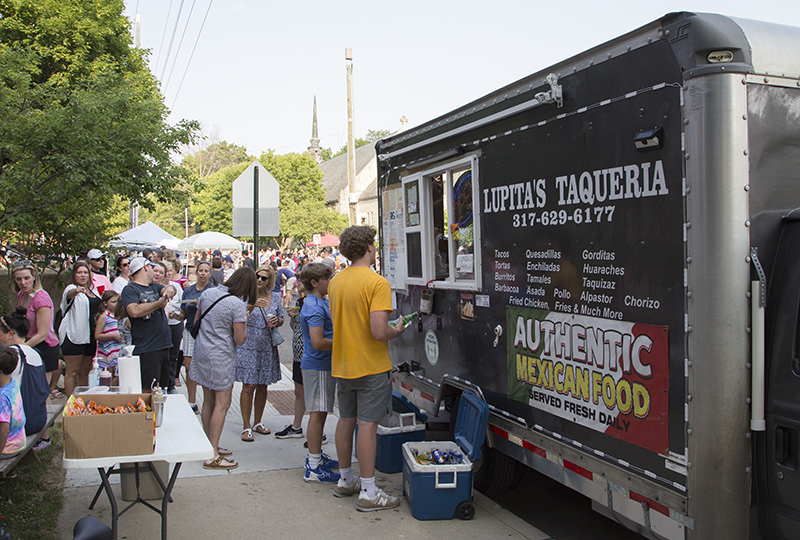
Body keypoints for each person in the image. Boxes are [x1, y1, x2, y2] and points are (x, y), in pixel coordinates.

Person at [329, 225, 405, 511]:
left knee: (346, 419)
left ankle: (346, 479)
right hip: (371, 365)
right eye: (373, 244)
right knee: (367, 426)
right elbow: (378, 330)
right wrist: (397, 330)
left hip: (343, 362)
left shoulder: (337, 281)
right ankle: (370, 491)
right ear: (369, 248)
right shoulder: (377, 283)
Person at [189, 267, 257, 470]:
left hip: (202, 351)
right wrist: (246, 321)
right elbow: (240, 339)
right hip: (221, 357)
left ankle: (211, 445)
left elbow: (196, 322)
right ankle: (213, 455)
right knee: (223, 403)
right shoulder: (237, 305)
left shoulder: (208, 293)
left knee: (208, 400)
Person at [298, 263, 339, 482]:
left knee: (321, 412)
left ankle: (316, 457)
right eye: (327, 279)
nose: (330, 282)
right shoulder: (314, 306)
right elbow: (317, 341)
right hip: (318, 365)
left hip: (322, 365)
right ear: (315, 282)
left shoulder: (320, 301)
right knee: (317, 413)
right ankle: (313, 465)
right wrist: (344, 342)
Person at [236, 265, 284, 441]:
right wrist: (251, 305)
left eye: (264, 278)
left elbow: (281, 320)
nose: (259, 280)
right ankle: (245, 425)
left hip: (266, 345)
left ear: (269, 281)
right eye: (257, 276)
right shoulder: (245, 296)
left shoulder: (276, 298)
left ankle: (257, 422)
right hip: (248, 344)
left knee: (263, 385)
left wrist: (276, 320)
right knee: (248, 386)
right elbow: (237, 315)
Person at [121, 257, 177, 392]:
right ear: (145, 268)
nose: (155, 272)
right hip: (147, 348)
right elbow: (134, 311)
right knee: (148, 389)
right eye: (152, 268)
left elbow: (170, 288)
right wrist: (158, 304)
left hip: (163, 345)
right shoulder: (130, 289)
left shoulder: (155, 286)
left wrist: (170, 288)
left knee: (162, 389)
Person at [1, 308, 50, 450]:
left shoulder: (12, 356)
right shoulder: (35, 353)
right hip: (38, 418)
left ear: (11, 334)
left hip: (21, 424)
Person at [12, 261, 62, 399]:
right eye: (19, 279)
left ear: (34, 277)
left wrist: (20, 348)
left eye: (26, 278)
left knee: (41, 392)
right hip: (28, 343)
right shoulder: (22, 295)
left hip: (44, 346)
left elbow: (42, 333)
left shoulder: (41, 298)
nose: (23, 282)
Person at [59, 261, 102, 396]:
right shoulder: (71, 288)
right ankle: (70, 402)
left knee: (86, 371)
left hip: (90, 336)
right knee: (72, 371)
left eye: (85, 273)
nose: (83, 275)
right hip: (74, 335)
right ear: (74, 274)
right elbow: (69, 294)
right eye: (79, 273)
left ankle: (82, 402)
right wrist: (77, 290)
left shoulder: (93, 290)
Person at [177, 261, 214, 413]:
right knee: (188, 366)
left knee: (205, 367)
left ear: (210, 274)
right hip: (190, 331)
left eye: (206, 271)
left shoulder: (212, 291)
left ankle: (208, 401)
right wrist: (176, 316)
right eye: (201, 270)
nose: (203, 273)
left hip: (206, 332)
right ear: (197, 273)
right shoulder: (189, 291)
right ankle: (192, 401)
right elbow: (183, 313)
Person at [275, 276, 307, 440]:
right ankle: (296, 426)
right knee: (299, 392)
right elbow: (293, 328)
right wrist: (293, 317)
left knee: (312, 394)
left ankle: (317, 430)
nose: (297, 283)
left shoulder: (315, 304)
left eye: (300, 281)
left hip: (308, 355)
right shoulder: (299, 303)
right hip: (297, 354)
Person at [152, 262, 183, 394]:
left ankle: (170, 384)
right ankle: (158, 383)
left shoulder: (175, 286)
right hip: (159, 326)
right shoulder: (152, 287)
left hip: (174, 323)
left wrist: (176, 314)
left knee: (172, 355)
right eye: (167, 271)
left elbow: (181, 302)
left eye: (171, 271)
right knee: (159, 355)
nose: (169, 273)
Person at [0, 344, 26, 456]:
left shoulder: (2, 397)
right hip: (19, 441)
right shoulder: (12, 383)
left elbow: (3, 431)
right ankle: (11, 474)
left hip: (7, 448)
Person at [94, 290, 122, 378]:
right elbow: (97, 335)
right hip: (109, 348)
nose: (116, 304)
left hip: (119, 347)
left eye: (117, 301)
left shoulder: (119, 315)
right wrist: (113, 335)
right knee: (114, 373)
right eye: (113, 302)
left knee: (119, 372)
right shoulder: (104, 317)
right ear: (105, 303)